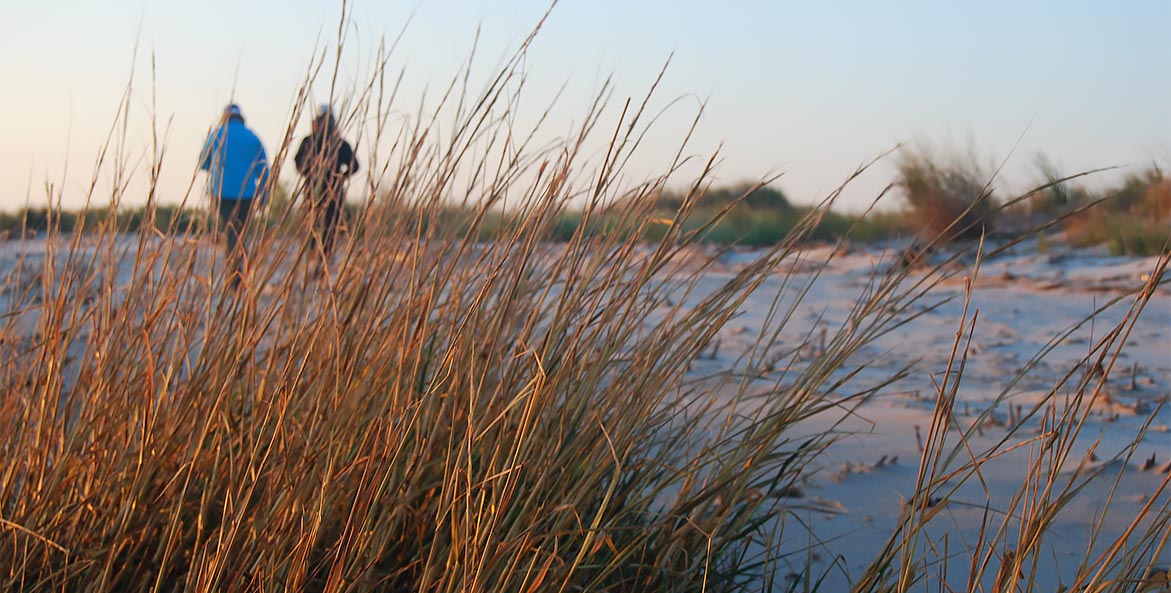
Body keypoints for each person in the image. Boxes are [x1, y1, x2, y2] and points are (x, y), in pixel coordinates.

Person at [199, 103, 270, 285]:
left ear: (225, 117)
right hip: (246, 195)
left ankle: (235, 277)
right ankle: (240, 272)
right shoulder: (252, 137)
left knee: (230, 233)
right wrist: (263, 196)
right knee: (239, 233)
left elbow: (203, 163)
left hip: (221, 193)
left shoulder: (216, 135)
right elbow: (264, 169)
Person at [295, 104, 359, 261]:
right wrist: (341, 176)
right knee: (326, 229)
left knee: (315, 227)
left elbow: (298, 162)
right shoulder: (339, 143)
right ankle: (320, 261)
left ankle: (316, 262)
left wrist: (309, 173)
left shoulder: (310, 141)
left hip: (317, 191)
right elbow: (355, 165)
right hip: (331, 192)